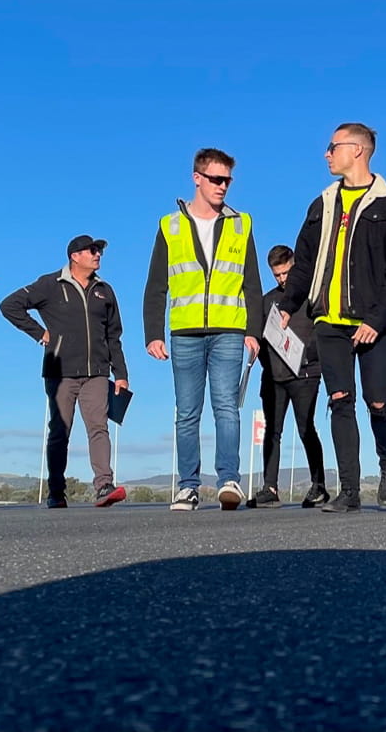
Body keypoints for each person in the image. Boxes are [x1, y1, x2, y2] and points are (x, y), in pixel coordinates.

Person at [279, 123, 386, 513]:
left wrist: (378, 318)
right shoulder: (320, 204)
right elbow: (303, 263)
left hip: (373, 323)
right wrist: (289, 306)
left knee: (377, 401)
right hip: (328, 322)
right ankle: (350, 491)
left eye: (332, 147)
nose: (326, 154)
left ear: (357, 150)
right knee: (340, 400)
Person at [143, 148, 262, 511]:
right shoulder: (170, 225)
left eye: (227, 180)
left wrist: (253, 330)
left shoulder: (242, 224)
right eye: (216, 179)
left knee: (227, 407)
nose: (222, 186)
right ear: (197, 178)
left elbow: (252, 284)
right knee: (187, 411)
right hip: (185, 331)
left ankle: (229, 480)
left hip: (229, 329)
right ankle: (188, 486)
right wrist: (153, 333)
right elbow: (156, 284)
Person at [1, 235, 129, 508]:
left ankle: (104, 485)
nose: (98, 255)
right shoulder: (49, 284)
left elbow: (114, 335)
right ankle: (56, 492)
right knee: (60, 430)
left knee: (98, 427)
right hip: (60, 372)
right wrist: (40, 334)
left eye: (99, 251)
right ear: (75, 256)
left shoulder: (104, 290)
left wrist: (120, 373)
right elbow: (9, 306)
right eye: (92, 250)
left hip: (97, 372)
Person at [247, 245, 328, 509]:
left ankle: (318, 486)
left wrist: (310, 356)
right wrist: (259, 357)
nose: (282, 279)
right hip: (273, 375)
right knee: (272, 431)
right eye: (277, 275)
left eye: (286, 272)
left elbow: (323, 331)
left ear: (294, 264)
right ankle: (270, 488)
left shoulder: (312, 294)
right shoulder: (267, 300)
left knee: (306, 428)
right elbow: (258, 337)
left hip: (306, 373)